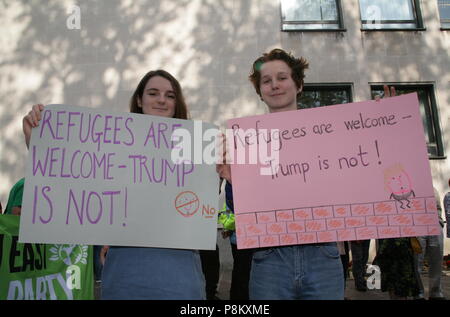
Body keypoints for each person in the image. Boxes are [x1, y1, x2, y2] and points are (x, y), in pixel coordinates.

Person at [22, 70, 206, 300]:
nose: (161, 100)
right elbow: (70, 184)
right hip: (125, 269)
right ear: (139, 100)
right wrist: (39, 141)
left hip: (177, 270)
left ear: (176, 102)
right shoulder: (112, 147)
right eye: (153, 93)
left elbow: (206, 202)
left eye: (170, 95)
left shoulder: (196, 150)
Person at [217, 49, 345, 300]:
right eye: (266, 80)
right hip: (269, 258)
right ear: (260, 92)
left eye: (282, 77)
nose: (275, 85)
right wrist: (234, 179)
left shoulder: (330, 133)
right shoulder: (247, 142)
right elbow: (237, 213)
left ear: (298, 84)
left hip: (323, 256)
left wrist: (388, 122)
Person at [413, 188, 446, 300]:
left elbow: (438, 208)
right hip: (417, 226)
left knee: (436, 260)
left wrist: (439, 223)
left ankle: (436, 292)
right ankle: (418, 293)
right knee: (416, 261)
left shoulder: (433, 189)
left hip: (434, 225)